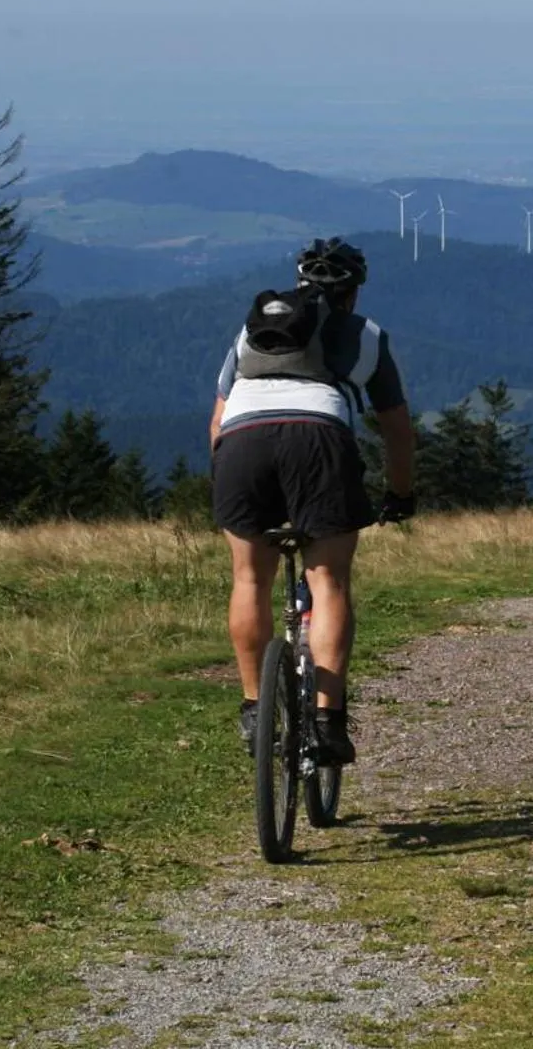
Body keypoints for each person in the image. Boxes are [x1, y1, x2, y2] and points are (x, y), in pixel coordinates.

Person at [210, 237, 415, 764]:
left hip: (240, 443)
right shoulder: (366, 334)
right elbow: (396, 429)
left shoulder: (252, 331)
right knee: (329, 582)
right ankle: (327, 721)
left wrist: (232, 483)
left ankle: (255, 707)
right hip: (319, 439)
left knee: (249, 579)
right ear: (354, 291)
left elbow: (218, 420)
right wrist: (400, 493)